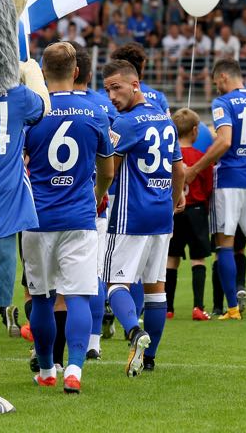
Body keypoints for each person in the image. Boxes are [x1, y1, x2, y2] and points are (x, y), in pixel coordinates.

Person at [24, 42, 114, 394]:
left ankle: (48, 369)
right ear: (77, 72)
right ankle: (74, 368)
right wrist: (94, 199)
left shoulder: (33, 112)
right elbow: (106, 170)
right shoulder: (95, 113)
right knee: (78, 296)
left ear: (43, 72)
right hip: (79, 217)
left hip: (38, 219)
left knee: (42, 297)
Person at [185, 58, 246, 321]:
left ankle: (231, 308)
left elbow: (225, 141)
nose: (215, 86)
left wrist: (195, 169)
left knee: (225, 244)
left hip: (228, 180)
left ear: (224, 78)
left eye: (216, 81)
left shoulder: (223, 103)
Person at [102, 59, 185, 376]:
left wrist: (98, 194)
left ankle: (134, 332)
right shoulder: (166, 121)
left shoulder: (125, 124)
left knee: (114, 283)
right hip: (162, 214)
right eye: (108, 89)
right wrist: (175, 198)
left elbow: (110, 169)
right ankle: (149, 360)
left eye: (117, 87)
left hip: (130, 214)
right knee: (156, 287)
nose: (112, 96)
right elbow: (179, 169)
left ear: (135, 85)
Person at [67, 42, 119, 358]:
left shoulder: (48, 104)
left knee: (53, 286)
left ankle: (48, 354)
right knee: (93, 275)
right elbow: (112, 156)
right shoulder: (104, 106)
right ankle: (93, 343)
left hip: (52, 205)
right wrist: (99, 194)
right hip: (94, 203)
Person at [165, 108, 214, 321]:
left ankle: (167, 307)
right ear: (195, 131)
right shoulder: (202, 158)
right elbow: (208, 186)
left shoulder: (169, 156)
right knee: (198, 259)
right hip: (196, 210)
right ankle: (198, 307)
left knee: (170, 259)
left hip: (174, 211)